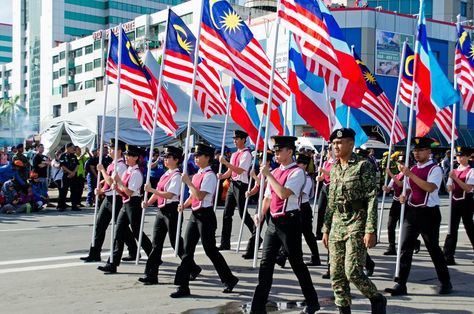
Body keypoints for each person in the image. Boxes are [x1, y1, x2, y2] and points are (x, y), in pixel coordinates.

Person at [250, 136, 320, 314]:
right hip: (273, 222)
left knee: (296, 263)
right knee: (266, 262)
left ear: (290, 151)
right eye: (275, 151)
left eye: (279, 150)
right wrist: (261, 213)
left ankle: (312, 301)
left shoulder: (297, 172)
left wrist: (268, 175)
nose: (276, 154)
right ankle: (258, 306)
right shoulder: (275, 171)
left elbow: (282, 193)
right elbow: (268, 196)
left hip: (290, 222)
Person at [322, 128, 386, 314]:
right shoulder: (334, 168)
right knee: (336, 273)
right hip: (336, 223)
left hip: (357, 221)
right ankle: (344, 309)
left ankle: (376, 298)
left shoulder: (363, 166)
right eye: (334, 144)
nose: (336, 146)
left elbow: (372, 198)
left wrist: (370, 229)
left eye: (340, 143)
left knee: (353, 271)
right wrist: (326, 228)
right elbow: (331, 201)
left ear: (351, 144)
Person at [385, 137, 452, 296]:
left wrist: (409, 174)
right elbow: (408, 189)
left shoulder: (434, 169)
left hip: (429, 213)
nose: (416, 153)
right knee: (405, 247)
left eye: (420, 150)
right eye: (415, 150)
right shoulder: (412, 169)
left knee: (433, 248)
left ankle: (445, 281)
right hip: (412, 211)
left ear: (428, 152)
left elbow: (429, 188)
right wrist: (404, 196)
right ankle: (401, 283)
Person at [171, 142, 238, 298]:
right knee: (187, 250)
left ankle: (229, 279)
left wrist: (188, 182)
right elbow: (193, 196)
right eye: (195, 155)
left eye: (198, 155)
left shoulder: (210, 176)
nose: (195, 158)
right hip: (195, 215)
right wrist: (184, 204)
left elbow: (200, 195)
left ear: (207, 158)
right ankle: (182, 286)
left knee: (211, 251)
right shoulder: (197, 174)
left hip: (206, 216)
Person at [139, 146, 201, 285]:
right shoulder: (165, 174)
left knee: (175, 242)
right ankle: (151, 275)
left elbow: (170, 194)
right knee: (156, 243)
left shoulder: (177, 176)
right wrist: (148, 202)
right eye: (165, 157)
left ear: (176, 160)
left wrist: (151, 189)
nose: (165, 159)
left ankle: (192, 267)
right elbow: (158, 192)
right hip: (161, 210)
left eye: (168, 157)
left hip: (171, 210)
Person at [98, 144, 152, 274]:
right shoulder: (128, 170)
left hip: (133, 204)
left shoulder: (136, 173)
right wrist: (113, 187)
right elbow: (123, 192)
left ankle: (153, 254)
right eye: (126, 155)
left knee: (137, 232)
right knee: (118, 232)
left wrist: (119, 183)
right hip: (125, 203)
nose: (126, 157)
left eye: (129, 156)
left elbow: (129, 192)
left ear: (136, 158)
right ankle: (112, 263)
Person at [80, 139, 137, 263]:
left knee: (122, 228)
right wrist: (100, 188)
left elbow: (112, 181)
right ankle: (94, 253)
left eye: (112, 149)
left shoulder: (121, 166)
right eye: (109, 148)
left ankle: (133, 250)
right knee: (100, 225)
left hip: (117, 198)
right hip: (108, 198)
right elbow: (107, 181)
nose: (109, 151)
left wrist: (101, 171)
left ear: (119, 151)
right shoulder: (112, 164)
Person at [218, 130, 257, 259]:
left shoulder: (247, 154)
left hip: (241, 185)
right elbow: (230, 171)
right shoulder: (235, 154)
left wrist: (225, 163)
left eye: (237, 138)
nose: (235, 141)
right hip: (232, 184)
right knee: (227, 213)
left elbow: (240, 170)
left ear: (243, 140)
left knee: (243, 213)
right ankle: (225, 242)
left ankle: (256, 235)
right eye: (234, 138)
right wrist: (222, 175)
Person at [443, 146, 474, 265]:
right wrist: (449, 186)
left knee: (469, 227)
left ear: (468, 157)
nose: (459, 158)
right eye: (458, 156)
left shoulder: (471, 171)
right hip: (454, 201)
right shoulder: (453, 171)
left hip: (466, 201)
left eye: (462, 156)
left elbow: (468, 187)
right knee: (452, 228)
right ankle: (448, 255)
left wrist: (455, 178)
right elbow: (449, 187)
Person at [296, 153, 321, 266]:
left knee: (308, 235)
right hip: (295, 207)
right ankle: (286, 255)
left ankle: (315, 257)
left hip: (304, 208)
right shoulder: (297, 176)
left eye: (299, 163)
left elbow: (300, 193)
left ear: (305, 165)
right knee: (293, 233)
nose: (297, 165)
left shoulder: (307, 179)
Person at [58, 143, 79, 211]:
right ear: (68, 148)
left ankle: (74, 206)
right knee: (63, 191)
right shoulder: (62, 156)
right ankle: (61, 206)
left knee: (74, 191)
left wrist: (73, 172)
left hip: (73, 176)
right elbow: (62, 166)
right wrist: (70, 172)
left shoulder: (74, 156)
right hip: (66, 175)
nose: (73, 149)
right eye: (72, 148)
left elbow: (77, 165)